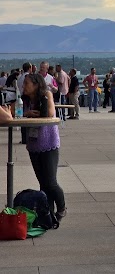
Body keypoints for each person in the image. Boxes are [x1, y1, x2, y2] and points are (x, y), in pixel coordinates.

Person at [20, 73, 66, 223]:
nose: (24, 86)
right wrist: (26, 114)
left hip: (48, 143)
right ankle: (48, 214)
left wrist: (37, 113)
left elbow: (50, 114)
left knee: (50, 182)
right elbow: (14, 113)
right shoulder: (25, 100)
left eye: (26, 83)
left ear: (36, 84)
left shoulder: (46, 95)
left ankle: (61, 209)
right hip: (33, 145)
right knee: (43, 183)